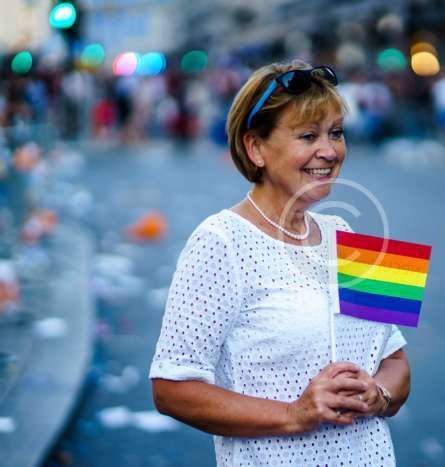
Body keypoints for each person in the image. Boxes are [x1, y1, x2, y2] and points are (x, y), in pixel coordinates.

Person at [149, 60, 410, 466]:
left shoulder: (352, 234)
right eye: (308, 135)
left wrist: (380, 395)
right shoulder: (218, 241)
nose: (329, 151)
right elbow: (170, 388)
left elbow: (397, 362)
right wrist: (294, 414)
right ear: (256, 148)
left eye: (336, 133)